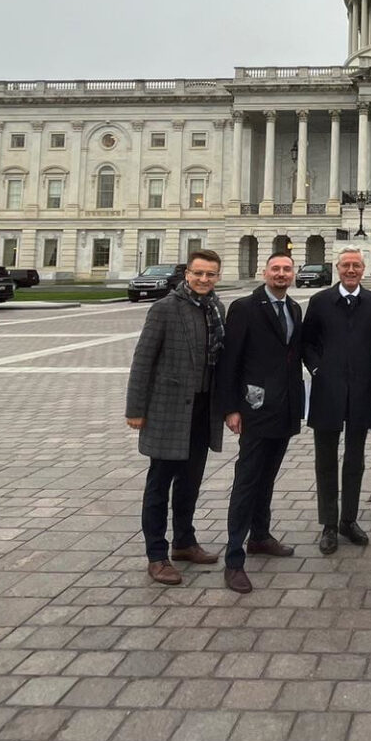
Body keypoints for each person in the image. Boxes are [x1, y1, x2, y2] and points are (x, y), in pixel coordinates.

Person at [125, 250, 227, 585]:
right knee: (159, 484)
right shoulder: (165, 309)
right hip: (168, 409)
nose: (203, 279)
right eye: (198, 273)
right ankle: (156, 555)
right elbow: (143, 361)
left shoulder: (216, 308)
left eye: (210, 274)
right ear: (187, 274)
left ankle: (184, 541)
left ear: (217, 276)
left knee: (190, 481)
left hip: (202, 408)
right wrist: (135, 409)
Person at [215, 252, 304, 594]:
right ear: (264, 272)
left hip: (284, 407)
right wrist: (230, 408)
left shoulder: (293, 308)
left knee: (268, 475)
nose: (281, 274)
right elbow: (230, 361)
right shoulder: (245, 307)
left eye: (286, 269)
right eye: (276, 269)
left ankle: (261, 535)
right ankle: (234, 559)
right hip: (254, 407)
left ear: (293, 274)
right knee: (247, 480)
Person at [299, 246, 371, 554]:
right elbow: (306, 342)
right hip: (327, 390)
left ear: (363, 269)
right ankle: (329, 524)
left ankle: (349, 519)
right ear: (337, 268)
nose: (351, 270)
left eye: (356, 265)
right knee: (325, 460)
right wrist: (317, 369)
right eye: (346, 265)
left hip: (361, 389)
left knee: (355, 460)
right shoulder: (320, 301)